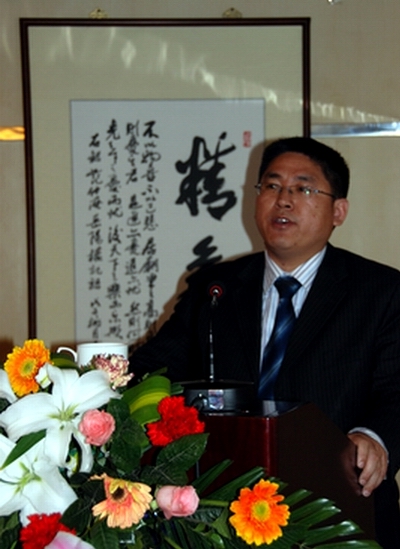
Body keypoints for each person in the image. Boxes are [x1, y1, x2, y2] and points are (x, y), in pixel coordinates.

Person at [130, 137, 400, 547]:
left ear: (338, 211)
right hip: (222, 511)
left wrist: (375, 439)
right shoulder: (215, 288)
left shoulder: (382, 292)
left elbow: (396, 391)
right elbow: (155, 369)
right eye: (272, 186)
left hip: (339, 511)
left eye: (303, 189)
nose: (284, 200)